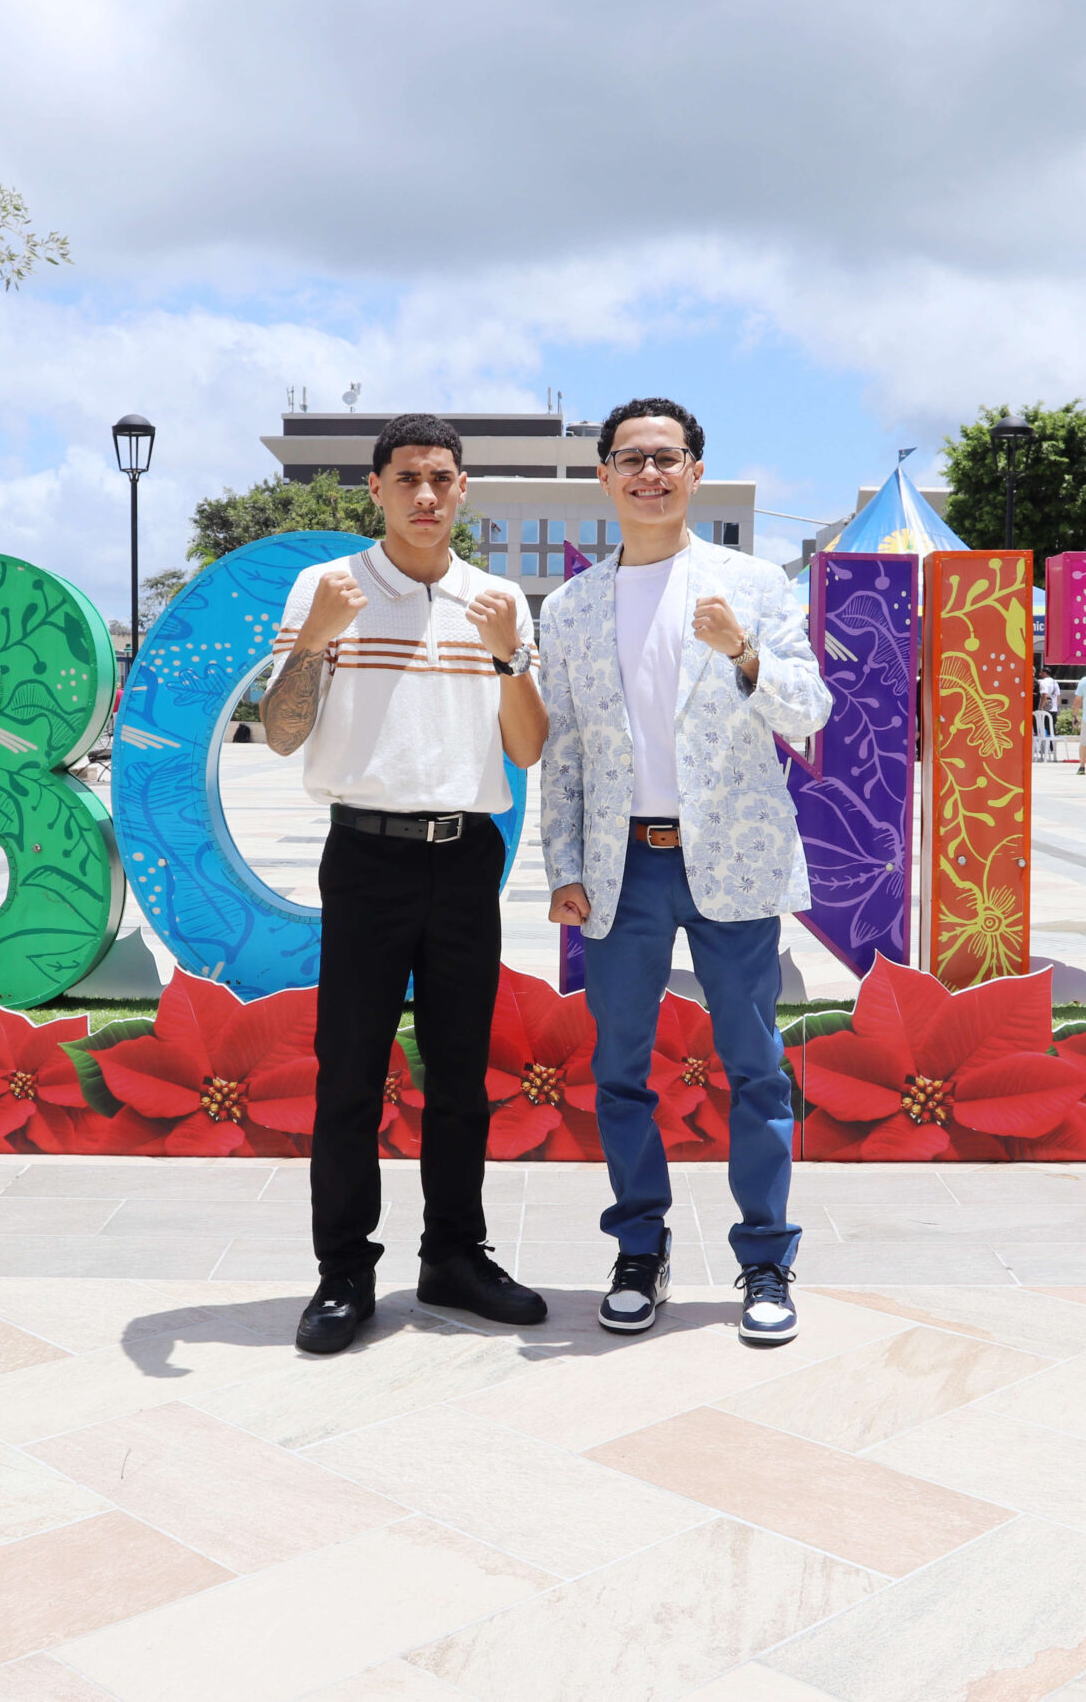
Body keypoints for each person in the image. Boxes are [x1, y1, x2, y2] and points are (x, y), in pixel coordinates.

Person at [539, 398, 832, 1345]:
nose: (649, 474)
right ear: (604, 476)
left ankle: (766, 1259)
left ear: (696, 471)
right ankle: (639, 1248)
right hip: (619, 866)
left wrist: (743, 651)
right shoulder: (571, 607)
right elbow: (566, 749)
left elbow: (810, 711)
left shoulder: (754, 584)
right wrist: (564, 864)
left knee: (757, 1069)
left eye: (667, 457)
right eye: (631, 459)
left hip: (732, 862)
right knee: (620, 1069)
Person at [261, 413, 550, 1355]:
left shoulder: (498, 599)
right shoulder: (328, 587)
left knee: (460, 1075)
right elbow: (282, 733)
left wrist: (509, 653)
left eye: (442, 478)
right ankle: (344, 1270)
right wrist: (317, 639)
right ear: (376, 488)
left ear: (463, 488)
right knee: (348, 1072)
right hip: (366, 856)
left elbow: (527, 748)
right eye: (407, 478)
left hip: (466, 855)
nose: (426, 495)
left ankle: (454, 1256)